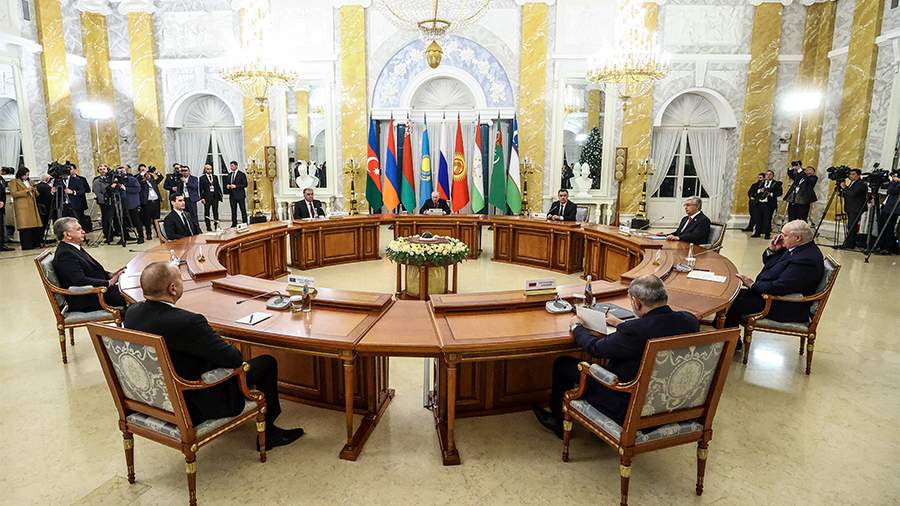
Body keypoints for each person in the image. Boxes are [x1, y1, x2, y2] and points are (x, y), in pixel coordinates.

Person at [124, 261, 304, 450]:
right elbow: (234, 359)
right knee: (266, 363)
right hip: (198, 401)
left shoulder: (132, 313)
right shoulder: (188, 322)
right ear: (173, 288)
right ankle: (270, 434)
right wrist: (214, 338)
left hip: (157, 398)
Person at [532, 275, 700, 438]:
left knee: (562, 364)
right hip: (673, 402)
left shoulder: (635, 331)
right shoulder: (690, 321)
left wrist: (577, 327)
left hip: (626, 403)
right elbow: (654, 329)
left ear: (637, 303)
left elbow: (595, 348)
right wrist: (621, 324)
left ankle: (558, 422)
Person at [724, 220, 824, 344]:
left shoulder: (806, 259)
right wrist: (772, 250)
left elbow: (780, 287)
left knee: (734, 303)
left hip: (785, 305)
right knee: (730, 295)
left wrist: (752, 285)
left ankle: (728, 342)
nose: (780, 237)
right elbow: (771, 265)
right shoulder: (800, 248)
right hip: (772, 296)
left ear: (798, 238)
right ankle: (726, 338)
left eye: (784, 235)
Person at [50, 217, 127, 312]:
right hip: (88, 298)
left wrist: (111, 275)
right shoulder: (65, 254)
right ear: (67, 235)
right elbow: (79, 280)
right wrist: (108, 282)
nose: (83, 231)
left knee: (132, 288)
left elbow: (93, 270)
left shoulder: (73, 247)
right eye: (78, 229)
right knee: (134, 294)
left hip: (99, 291)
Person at [9, 167, 43, 250]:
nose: (27, 177)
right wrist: (26, 190)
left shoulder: (30, 181)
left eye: (28, 175)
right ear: (21, 174)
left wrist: (34, 190)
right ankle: (27, 245)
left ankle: (36, 243)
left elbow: (37, 194)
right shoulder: (14, 182)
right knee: (25, 227)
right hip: (22, 207)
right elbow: (14, 193)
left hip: (32, 206)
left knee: (34, 226)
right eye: (25, 175)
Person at [839, 169, 868, 249]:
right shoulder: (853, 183)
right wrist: (842, 191)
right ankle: (850, 243)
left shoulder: (861, 184)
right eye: (850, 174)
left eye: (853, 174)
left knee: (851, 226)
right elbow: (849, 193)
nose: (851, 176)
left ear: (858, 175)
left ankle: (849, 244)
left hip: (856, 208)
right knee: (851, 226)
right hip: (850, 207)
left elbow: (852, 193)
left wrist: (844, 187)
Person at [751, 170, 783, 239]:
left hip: (769, 204)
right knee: (758, 218)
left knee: (767, 219)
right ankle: (757, 232)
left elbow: (780, 193)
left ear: (773, 176)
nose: (768, 176)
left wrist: (770, 194)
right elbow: (754, 190)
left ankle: (767, 234)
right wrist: (759, 190)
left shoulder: (776, 184)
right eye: (767, 174)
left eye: (770, 174)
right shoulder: (761, 182)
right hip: (759, 203)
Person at [118, 166, 144, 244]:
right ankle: (125, 236)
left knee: (136, 220)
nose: (121, 173)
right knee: (122, 221)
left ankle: (141, 237)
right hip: (121, 204)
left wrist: (126, 188)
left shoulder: (132, 179)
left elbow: (138, 189)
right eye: (119, 172)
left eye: (122, 171)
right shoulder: (116, 181)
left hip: (132, 203)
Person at [875, 173, 900, 255]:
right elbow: (889, 189)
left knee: (889, 228)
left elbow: (891, 190)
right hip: (887, 206)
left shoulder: (897, 182)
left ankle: (888, 247)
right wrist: (893, 181)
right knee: (882, 226)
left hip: (894, 209)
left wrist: (895, 182)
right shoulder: (895, 182)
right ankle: (881, 245)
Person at [139, 165, 162, 240]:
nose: (147, 175)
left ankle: (159, 233)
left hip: (156, 202)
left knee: (157, 218)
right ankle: (148, 234)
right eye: (146, 174)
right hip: (147, 203)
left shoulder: (153, 181)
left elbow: (161, 177)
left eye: (148, 174)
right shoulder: (141, 183)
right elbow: (137, 180)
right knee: (147, 219)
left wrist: (155, 172)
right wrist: (142, 174)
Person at [92, 166, 114, 243]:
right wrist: (104, 200)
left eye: (104, 169)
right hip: (104, 202)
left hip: (113, 201)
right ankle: (108, 235)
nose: (103, 171)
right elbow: (97, 193)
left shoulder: (111, 179)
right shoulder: (97, 181)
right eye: (100, 170)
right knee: (106, 219)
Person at [199, 164, 223, 231]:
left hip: (215, 197)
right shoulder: (202, 178)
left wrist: (220, 195)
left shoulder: (215, 177)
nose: (209, 170)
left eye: (210, 169)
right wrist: (202, 198)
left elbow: (218, 187)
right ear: (205, 170)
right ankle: (208, 226)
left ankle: (216, 226)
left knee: (216, 212)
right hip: (206, 198)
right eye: (208, 169)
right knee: (207, 212)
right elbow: (201, 189)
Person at [225, 161, 248, 227]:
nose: (231, 167)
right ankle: (234, 223)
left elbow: (245, 184)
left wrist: (236, 186)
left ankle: (245, 222)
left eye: (232, 166)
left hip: (240, 195)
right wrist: (227, 186)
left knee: (243, 210)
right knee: (233, 210)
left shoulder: (241, 174)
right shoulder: (229, 175)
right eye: (230, 166)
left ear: (236, 166)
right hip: (232, 196)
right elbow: (227, 183)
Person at [0, 172, 10, 251]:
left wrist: (2, 201)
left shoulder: (1, 179)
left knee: (1, 226)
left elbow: (2, 193)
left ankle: (1, 244)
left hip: (1, 206)